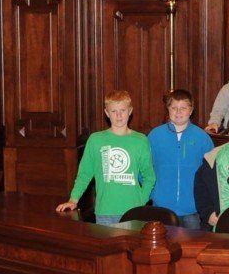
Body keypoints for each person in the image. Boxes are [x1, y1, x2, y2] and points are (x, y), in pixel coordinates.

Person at [57, 90, 155, 225]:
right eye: (114, 111)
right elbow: (85, 173)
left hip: (134, 212)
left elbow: (149, 176)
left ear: (130, 111)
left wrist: (141, 200)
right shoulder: (96, 140)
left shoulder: (141, 140)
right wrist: (73, 199)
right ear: (107, 113)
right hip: (105, 212)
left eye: (123, 110)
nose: (119, 115)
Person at [149, 89, 215, 229]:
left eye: (183, 108)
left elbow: (210, 174)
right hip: (162, 207)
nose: (178, 112)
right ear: (168, 109)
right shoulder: (155, 136)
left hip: (193, 208)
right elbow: (145, 169)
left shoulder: (202, 138)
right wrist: (153, 193)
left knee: (190, 248)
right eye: (174, 108)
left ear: (191, 110)